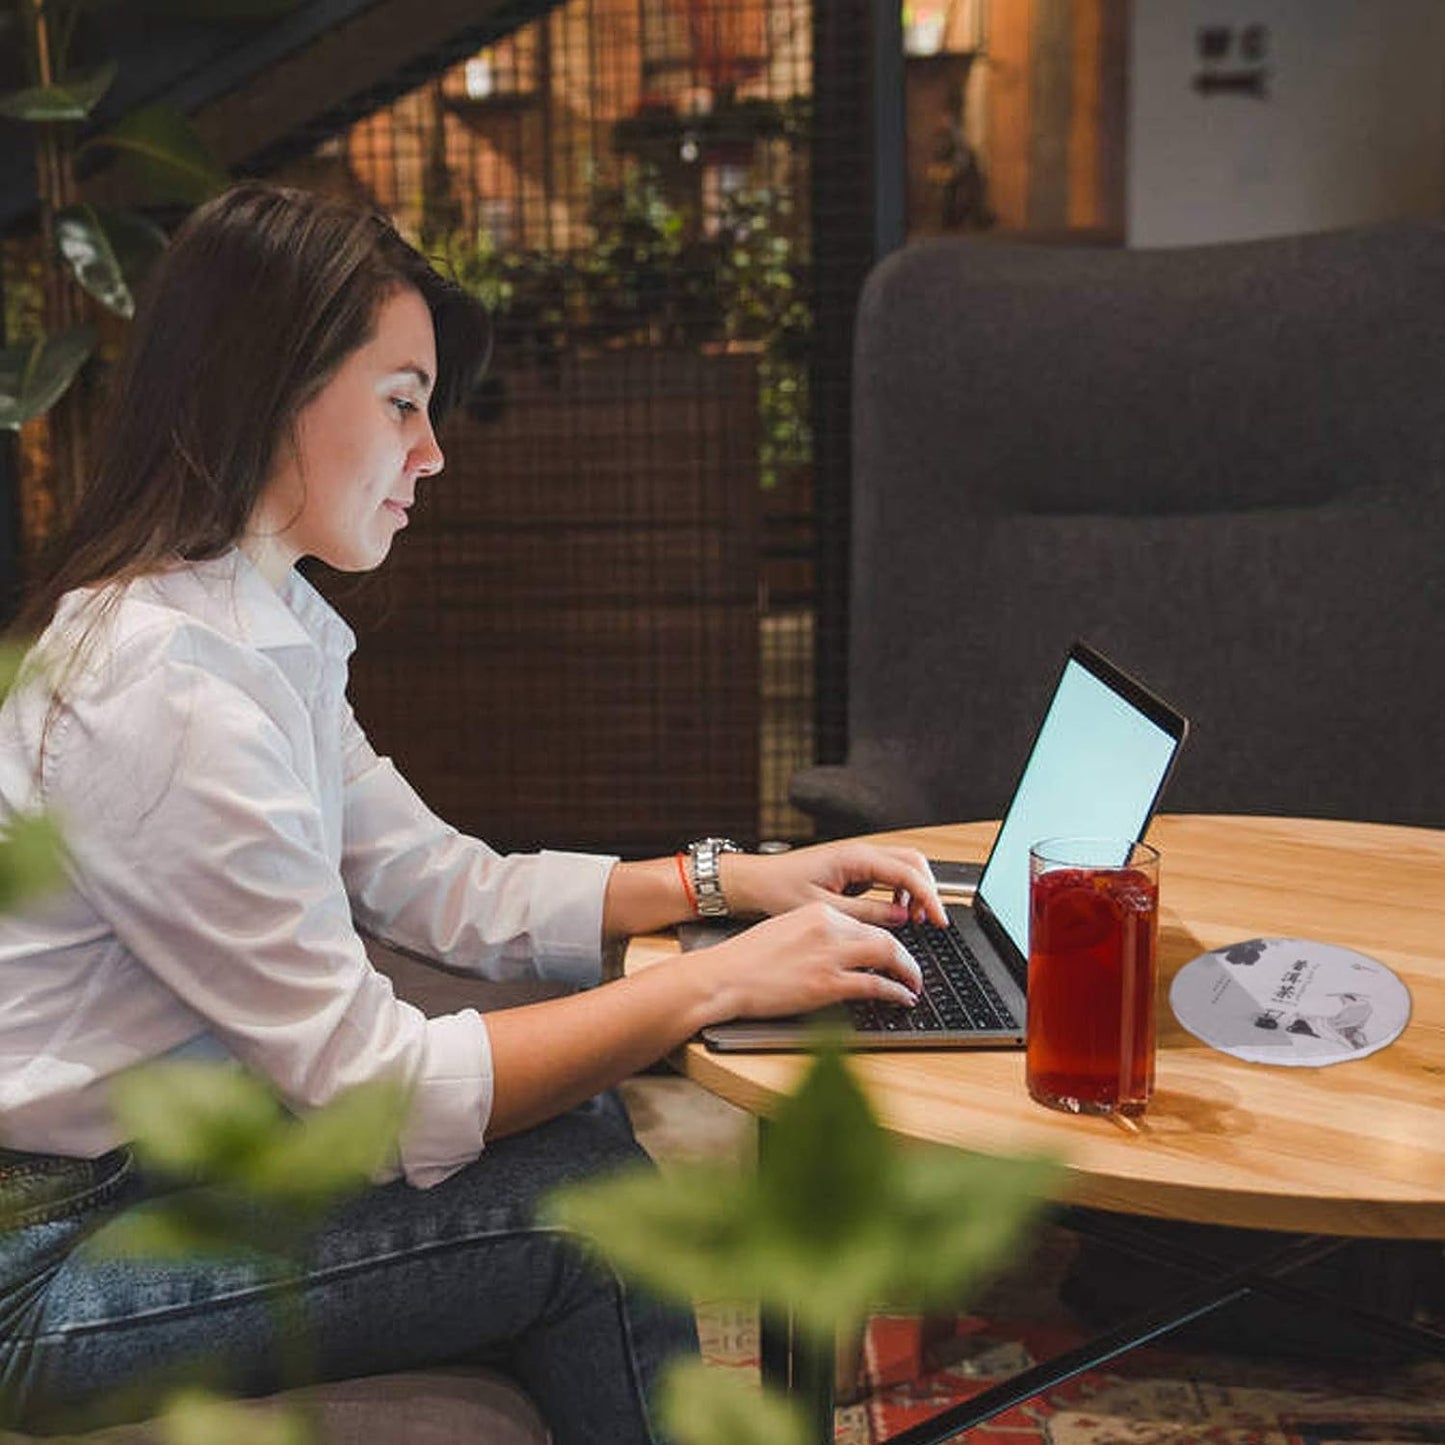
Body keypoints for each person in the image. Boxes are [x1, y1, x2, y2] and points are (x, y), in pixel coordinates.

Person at [0, 182, 940, 1441]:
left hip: (176, 1167)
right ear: (272, 384)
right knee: (587, 1221)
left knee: (578, 1110)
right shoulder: (165, 685)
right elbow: (367, 1088)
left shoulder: (250, 628)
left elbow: (442, 880)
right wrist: (710, 985)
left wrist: (731, 882)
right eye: (403, 400)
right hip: (46, 1264)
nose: (432, 450)